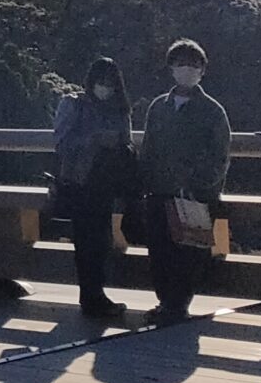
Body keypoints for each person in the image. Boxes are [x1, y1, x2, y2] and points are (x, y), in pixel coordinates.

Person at [138, 40, 231, 325]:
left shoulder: (213, 111)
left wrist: (201, 187)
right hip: (159, 192)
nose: (186, 69)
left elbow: (220, 155)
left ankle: (178, 305)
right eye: (180, 64)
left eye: (193, 65)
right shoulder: (158, 107)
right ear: (171, 68)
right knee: (159, 250)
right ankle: (165, 302)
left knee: (188, 253)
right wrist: (143, 184)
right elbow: (148, 148)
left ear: (202, 70)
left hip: (193, 196)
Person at [52, 58, 138, 322]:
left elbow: (128, 144)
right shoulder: (73, 104)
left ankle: (97, 294)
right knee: (86, 242)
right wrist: (95, 140)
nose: (105, 87)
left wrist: (120, 148)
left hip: (108, 183)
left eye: (110, 83)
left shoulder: (120, 109)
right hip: (81, 183)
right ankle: (91, 296)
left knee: (102, 241)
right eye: (100, 81)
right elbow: (61, 142)